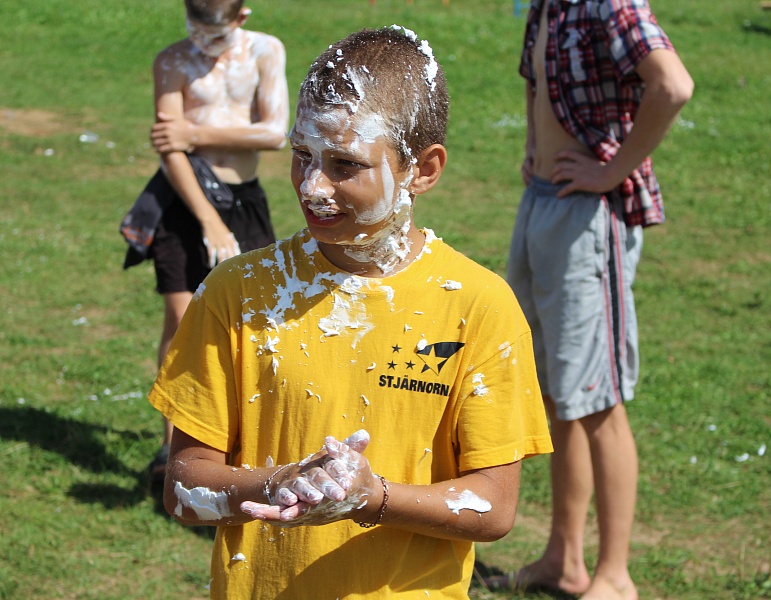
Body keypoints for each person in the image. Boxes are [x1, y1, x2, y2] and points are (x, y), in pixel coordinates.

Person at [148, 26, 553, 599]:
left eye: (344, 164)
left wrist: (371, 497)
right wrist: (282, 484)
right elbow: (184, 489)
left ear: (424, 169)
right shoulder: (239, 291)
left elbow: (495, 506)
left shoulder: (476, 306)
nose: (313, 186)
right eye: (302, 155)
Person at [487, 1, 694, 599]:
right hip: (545, 202)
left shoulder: (611, 2)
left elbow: (672, 85)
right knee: (556, 394)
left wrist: (614, 171)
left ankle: (615, 576)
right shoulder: (548, 4)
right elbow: (537, 84)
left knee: (597, 399)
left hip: (590, 216)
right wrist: (533, 145)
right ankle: (565, 560)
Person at [124, 0, 289, 486]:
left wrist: (197, 129)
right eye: (193, 31)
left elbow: (275, 132)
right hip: (184, 199)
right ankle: (170, 445)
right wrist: (209, 222)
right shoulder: (172, 61)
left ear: (243, 17)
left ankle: (245, 442)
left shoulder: (265, 51)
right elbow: (170, 148)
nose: (201, 44)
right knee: (180, 319)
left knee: (255, 321)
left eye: (213, 36)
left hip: (244, 198)